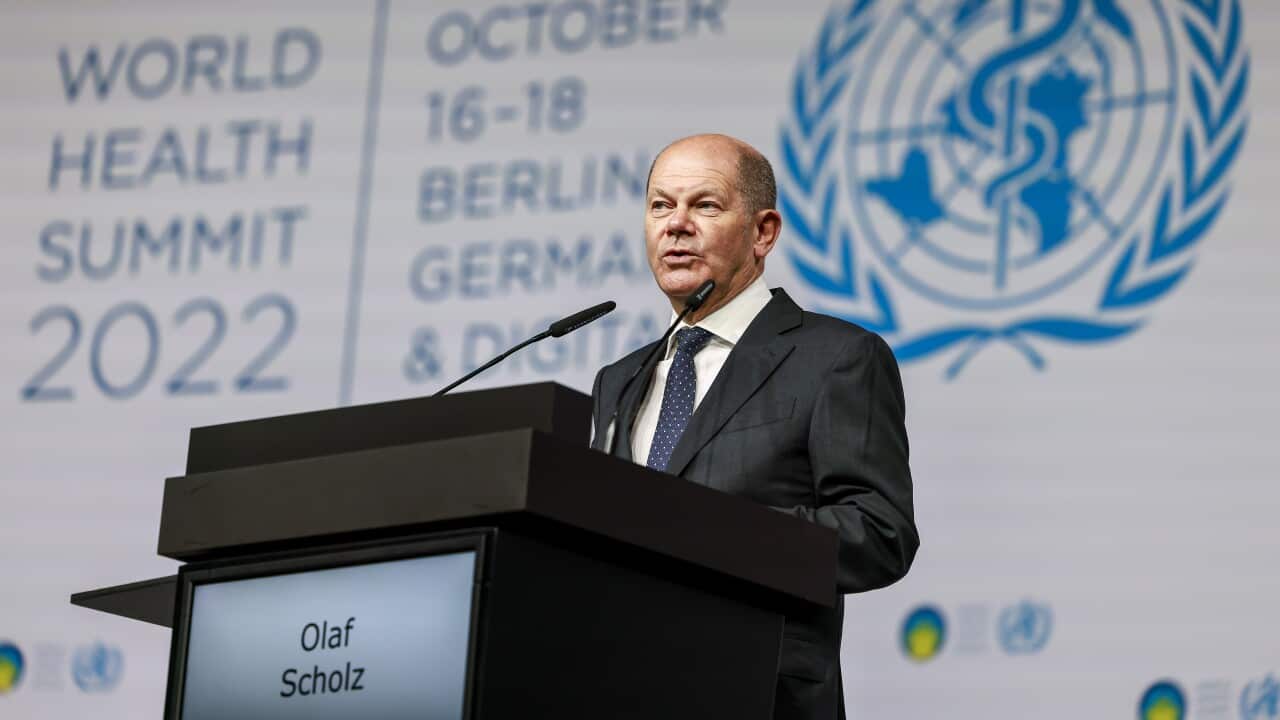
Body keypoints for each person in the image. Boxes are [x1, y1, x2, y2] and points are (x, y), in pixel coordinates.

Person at [589, 134, 919, 720]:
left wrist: (710, 531)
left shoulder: (835, 357)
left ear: (764, 231)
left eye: (705, 206)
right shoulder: (619, 380)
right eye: (661, 206)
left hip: (762, 693)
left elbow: (879, 532)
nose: (676, 226)